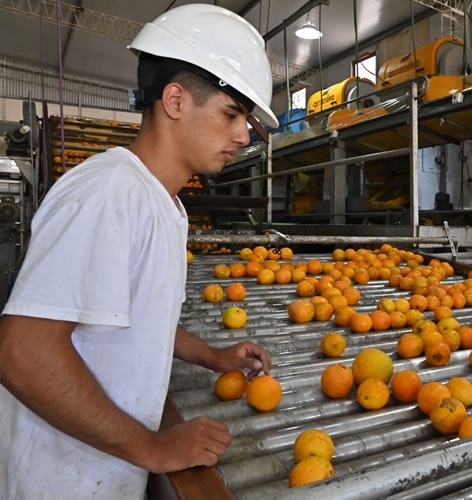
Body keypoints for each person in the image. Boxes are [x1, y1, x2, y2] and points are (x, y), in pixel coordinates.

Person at [0, 5, 280, 498]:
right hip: (61, 479)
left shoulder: (166, 204)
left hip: (107, 472)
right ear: (175, 100)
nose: (242, 136)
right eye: (232, 114)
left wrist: (213, 356)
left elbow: (134, 313)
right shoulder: (109, 192)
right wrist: (154, 448)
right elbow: (22, 352)